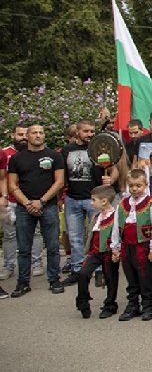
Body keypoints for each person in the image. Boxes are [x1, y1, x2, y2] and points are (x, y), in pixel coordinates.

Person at [8, 124, 66, 298]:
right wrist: (28, 204)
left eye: (41, 132)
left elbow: (59, 182)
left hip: (47, 206)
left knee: (53, 246)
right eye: (34, 132)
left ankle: (54, 279)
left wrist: (41, 201)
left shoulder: (54, 156)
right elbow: (12, 184)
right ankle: (23, 282)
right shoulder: (17, 159)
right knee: (24, 248)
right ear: (27, 136)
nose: (38, 135)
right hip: (24, 208)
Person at [111, 168, 152, 320]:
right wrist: (115, 246)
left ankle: (148, 305)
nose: (134, 189)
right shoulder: (122, 204)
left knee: (145, 276)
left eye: (138, 185)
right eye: (131, 185)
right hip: (127, 245)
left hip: (143, 245)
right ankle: (133, 304)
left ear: (146, 185)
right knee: (131, 276)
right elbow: (116, 226)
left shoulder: (151, 203)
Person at [60, 120, 104, 286]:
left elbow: (110, 168)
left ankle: (98, 270)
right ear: (77, 132)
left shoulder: (99, 147)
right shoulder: (66, 150)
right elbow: (62, 174)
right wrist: (59, 198)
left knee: (96, 236)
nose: (90, 134)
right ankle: (77, 270)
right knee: (75, 237)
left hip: (94, 198)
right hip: (72, 198)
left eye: (92, 131)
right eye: (86, 131)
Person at [1, 124, 43, 282]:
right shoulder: (5, 153)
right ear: (12, 135)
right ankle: (8, 266)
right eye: (20, 135)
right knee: (10, 236)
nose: (24, 138)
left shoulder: (37, 152)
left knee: (36, 234)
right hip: (11, 202)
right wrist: (4, 196)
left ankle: (37, 263)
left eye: (26, 134)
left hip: (32, 201)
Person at [73, 185, 119, 318]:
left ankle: (110, 304)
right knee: (83, 273)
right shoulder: (97, 217)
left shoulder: (115, 215)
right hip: (95, 252)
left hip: (109, 251)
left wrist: (117, 250)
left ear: (104, 201)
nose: (91, 203)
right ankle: (83, 301)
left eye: (94, 200)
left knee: (111, 277)